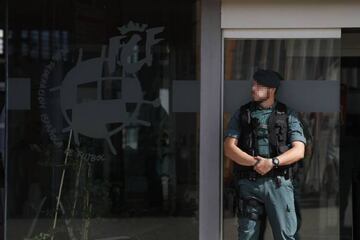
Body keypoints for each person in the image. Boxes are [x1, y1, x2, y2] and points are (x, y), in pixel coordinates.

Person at [224, 69, 307, 240]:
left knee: (286, 236)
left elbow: (299, 150)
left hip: (279, 184)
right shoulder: (243, 113)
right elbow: (229, 148)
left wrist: (272, 162)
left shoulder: (288, 114)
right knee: (247, 236)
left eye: (258, 86)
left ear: (271, 90)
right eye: (253, 84)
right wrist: (255, 163)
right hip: (249, 184)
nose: (253, 89)